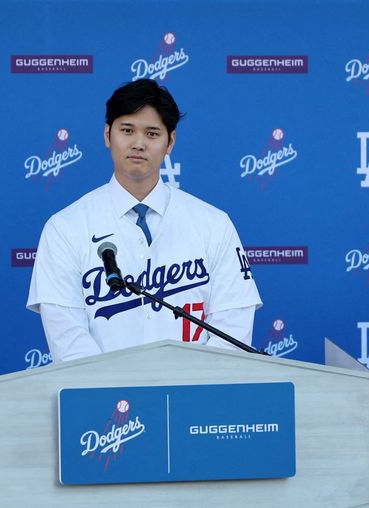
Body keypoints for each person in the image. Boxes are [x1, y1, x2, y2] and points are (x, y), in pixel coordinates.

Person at [27, 79, 261, 362]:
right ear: (107, 134)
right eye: (127, 130)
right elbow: (68, 342)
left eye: (152, 134)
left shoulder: (214, 224)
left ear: (170, 142)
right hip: (102, 401)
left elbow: (233, 329)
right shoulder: (65, 228)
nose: (138, 144)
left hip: (197, 399)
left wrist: (188, 391)